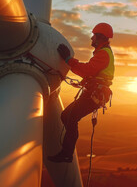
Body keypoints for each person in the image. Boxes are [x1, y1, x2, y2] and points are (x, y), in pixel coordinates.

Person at [48, 22, 115, 163]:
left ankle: (66, 154)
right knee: (68, 117)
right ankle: (66, 153)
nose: (91, 39)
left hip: (94, 95)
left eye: (94, 36)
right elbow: (92, 73)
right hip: (94, 93)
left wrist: (68, 60)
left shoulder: (103, 54)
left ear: (100, 37)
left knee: (69, 117)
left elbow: (87, 70)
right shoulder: (103, 53)